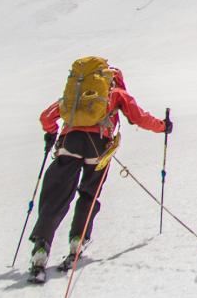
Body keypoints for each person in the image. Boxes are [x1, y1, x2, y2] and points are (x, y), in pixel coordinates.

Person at [27, 62, 170, 278]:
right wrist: (163, 126)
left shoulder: (75, 96)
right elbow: (138, 117)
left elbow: (46, 117)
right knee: (89, 194)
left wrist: (51, 133)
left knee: (55, 196)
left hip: (69, 145)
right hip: (98, 149)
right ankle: (78, 240)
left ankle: (41, 247)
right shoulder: (116, 93)